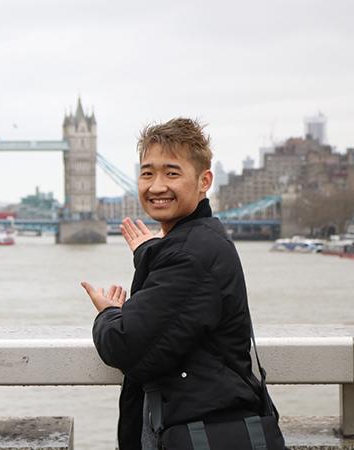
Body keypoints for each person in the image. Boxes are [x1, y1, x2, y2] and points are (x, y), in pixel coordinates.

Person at [81, 118, 274, 449]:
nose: (156, 186)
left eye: (172, 173)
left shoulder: (191, 253)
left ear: (204, 181)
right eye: (147, 173)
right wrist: (149, 254)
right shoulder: (198, 241)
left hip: (196, 433)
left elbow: (126, 345)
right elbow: (179, 306)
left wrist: (109, 314)